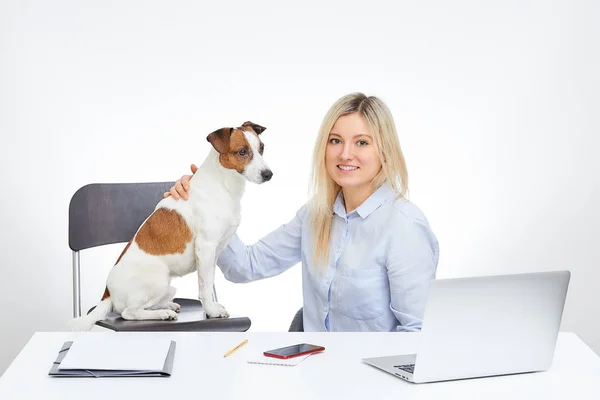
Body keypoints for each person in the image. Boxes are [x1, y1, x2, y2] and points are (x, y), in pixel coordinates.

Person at [165, 92, 439, 332]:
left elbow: (417, 333)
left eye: (362, 142)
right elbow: (244, 267)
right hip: (313, 371)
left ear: (385, 151)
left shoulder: (404, 227)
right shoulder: (315, 215)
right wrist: (202, 207)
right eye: (335, 141)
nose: (345, 154)